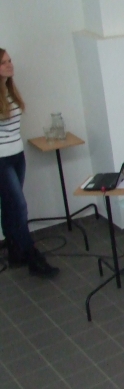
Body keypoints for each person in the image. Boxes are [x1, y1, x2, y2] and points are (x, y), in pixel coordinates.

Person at [0, 48, 58, 278]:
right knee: (19, 206)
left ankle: (15, 251)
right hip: (1, 159)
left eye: (10, 60)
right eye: (4, 62)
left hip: (17, 154)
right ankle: (33, 257)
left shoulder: (9, 91)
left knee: (10, 206)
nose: (10, 65)